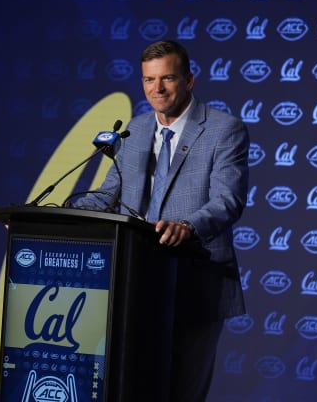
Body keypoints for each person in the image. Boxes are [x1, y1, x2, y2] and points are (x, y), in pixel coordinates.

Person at [71, 39, 249, 401]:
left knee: (181, 392)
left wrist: (188, 226)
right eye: (149, 80)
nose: (158, 89)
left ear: (189, 80)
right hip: (134, 283)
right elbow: (108, 195)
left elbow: (227, 200)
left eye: (167, 78)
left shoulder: (223, 129)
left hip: (195, 283)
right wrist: (56, 220)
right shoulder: (133, 132)